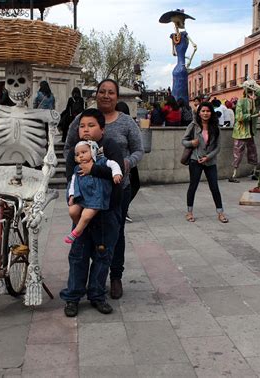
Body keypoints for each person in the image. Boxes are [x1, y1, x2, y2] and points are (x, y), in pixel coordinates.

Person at [64, 78, 144, 300]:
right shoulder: (82, 120)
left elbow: (139, 150)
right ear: (96, 95)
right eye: (102, 92)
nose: (106, 96)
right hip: (85, 190)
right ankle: (81, 285)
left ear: (117, 97)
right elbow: (69, 147)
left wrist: (125, 164)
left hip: (117, 188)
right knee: (83, 234)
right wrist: (73, 176)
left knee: (115, 234)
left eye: (111, 92)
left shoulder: (127, 123)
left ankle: (115, 276)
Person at [60, 107, 125, 317]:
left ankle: (97, 294)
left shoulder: (110, 147)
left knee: (103, 255)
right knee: (78, 256)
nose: (85, 130)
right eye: (82, 126)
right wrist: (71, 199)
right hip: (83, 215)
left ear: (102, 129)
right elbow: (71, 179)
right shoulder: (75, 152)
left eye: (91, 125)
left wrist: (94, 169)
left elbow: (118, 174)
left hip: (106, 213)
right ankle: (73, 297)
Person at [65, 138, 123, 244]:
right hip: (82, 196)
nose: (81, 156)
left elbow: (114, 164)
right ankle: (83, 229)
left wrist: (116, 173)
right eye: (78, 154)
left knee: (86, 215)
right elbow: (73, 182)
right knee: (72, 211)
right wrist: (72, 195)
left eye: (84, 152)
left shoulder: (101, 161)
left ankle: (76, 232)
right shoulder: (77, 168)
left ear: (92, 151)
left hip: (96, 196)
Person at [182, 101, 228, 224]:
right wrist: (192, 143)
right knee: (193, 186)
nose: (205, 113)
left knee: (214, 187)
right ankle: (189, 212)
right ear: (199, 112)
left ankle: (220, 212)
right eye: (203, 111)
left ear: (211, 112)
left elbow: (218, 147)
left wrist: (208, 157)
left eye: (208, 111)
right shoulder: (193, 125)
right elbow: (184, 141)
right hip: (195, 160)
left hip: (210, 161)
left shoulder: (215, 127)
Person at [228, 80, 260, 182]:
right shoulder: (241, 101)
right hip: (241, 132)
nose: (253, 95)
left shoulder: (254, 101)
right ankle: (233, 175)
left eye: (253, 93)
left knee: (253, 152)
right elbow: (239, 117)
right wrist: (254, 115)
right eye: (250, 92)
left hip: (250, 132)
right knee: (238, 153)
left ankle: (254, 172)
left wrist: (256, 88)